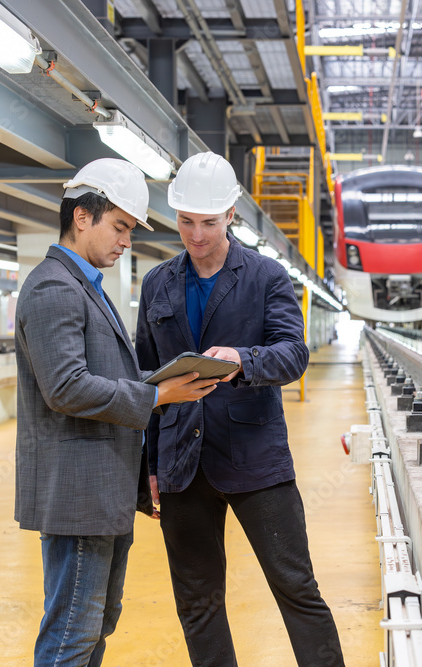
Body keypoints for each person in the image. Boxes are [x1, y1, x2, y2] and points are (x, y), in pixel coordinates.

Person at [135, 151, 344, 666]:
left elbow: (294, 353)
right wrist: (151, 469)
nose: (197, 234)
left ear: (231, 215)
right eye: (186, 221)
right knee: (198, 602)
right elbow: (143, 378)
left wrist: (241, 360)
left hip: (255, 460)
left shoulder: (266, 277)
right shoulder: (156, 283)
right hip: (183, 462)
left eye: (208, 222)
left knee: (295, 587)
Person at [15, 157, 220, 667]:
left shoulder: (88, 287)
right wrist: (158, 396)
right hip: (77, 493)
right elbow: (65, 388)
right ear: (82, 217)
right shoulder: (53, 287)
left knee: (97, 621)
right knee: (72, 631)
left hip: (102, 490)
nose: (127, 241)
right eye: (121, 226)